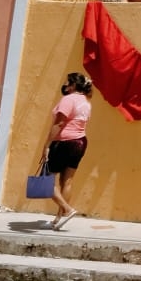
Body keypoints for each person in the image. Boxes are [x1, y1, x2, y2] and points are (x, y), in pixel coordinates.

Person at [41, 71, 93, 230]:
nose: (65, 85)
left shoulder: (68, 100)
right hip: (80, 142)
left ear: (73, 85)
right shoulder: (86, 101)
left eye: (67, 82)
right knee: (67, 181)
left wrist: (46, 145)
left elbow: (59, 124)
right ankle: (59, 218)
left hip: (64, 142)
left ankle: (68, 210)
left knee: (46, 179)